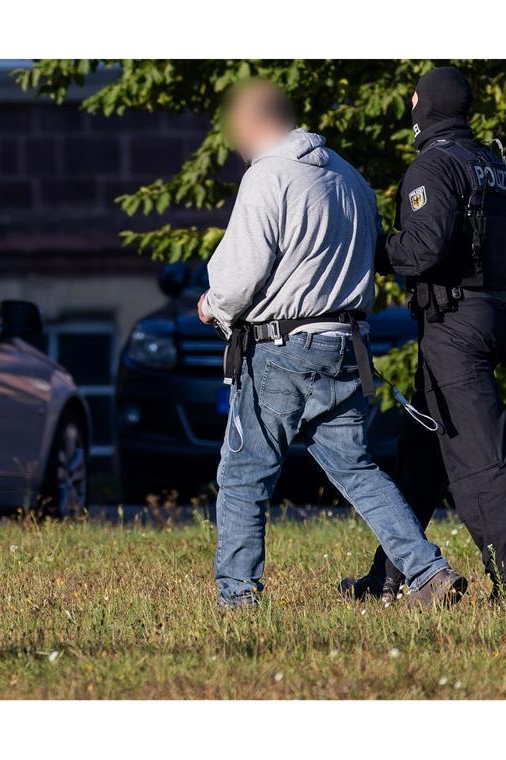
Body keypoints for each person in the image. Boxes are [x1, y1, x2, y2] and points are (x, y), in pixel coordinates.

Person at [199, 79, 467, 609]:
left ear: (256, 122)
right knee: (357, 469)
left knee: (245, 475)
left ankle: (238, 599)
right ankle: (428, 572)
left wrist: (214, 305)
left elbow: (242, 272)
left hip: (282, 348)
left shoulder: (268, 175)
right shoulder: (350, 176)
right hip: (347, 346)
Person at [340, 66, 506, 606]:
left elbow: (422, 249)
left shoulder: (434, 165)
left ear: (427, 106)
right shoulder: (494, 167)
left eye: (414, 100)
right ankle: (389, 577)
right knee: (421, 459)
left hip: (454, 330)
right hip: (486, 320)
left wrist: (366, 247)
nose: (410, 108)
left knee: (481, 459)